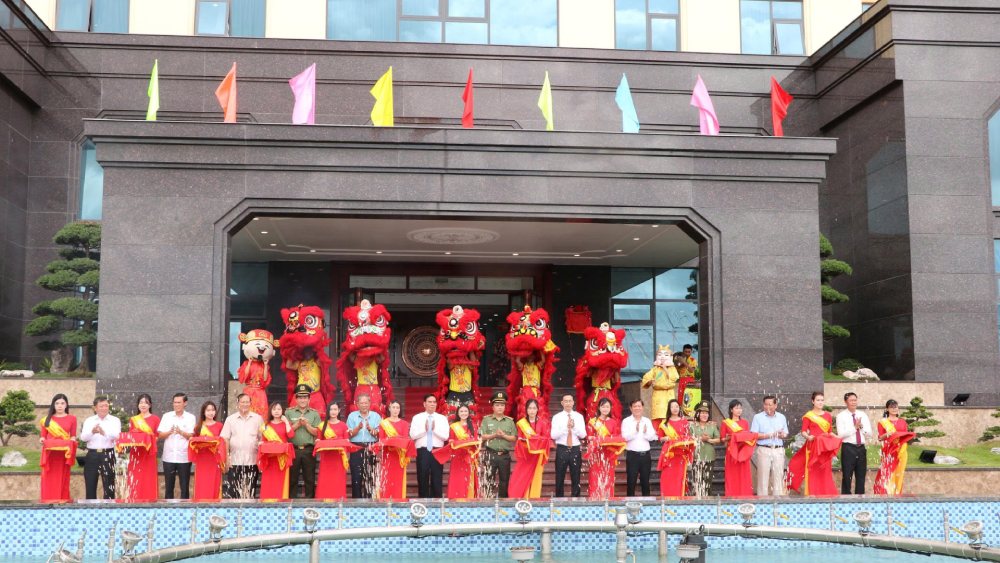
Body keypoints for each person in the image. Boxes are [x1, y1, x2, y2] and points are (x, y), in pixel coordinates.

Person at [788, 392, 841, 496]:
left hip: (825, 447)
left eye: (822, 400)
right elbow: (803, 431)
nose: (820, 402)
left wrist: (837, 437)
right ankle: (812, 493)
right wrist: (808, 437)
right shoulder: (809, 416)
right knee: (812, 470)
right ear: (813, 401)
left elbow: (829, 431)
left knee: (825, 471)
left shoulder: (828, 416)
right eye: (818, 400)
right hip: (812, 446)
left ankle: (826, 493)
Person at [220, 393, 264, 499]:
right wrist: (226, 458)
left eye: (247, 402)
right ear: (238, 403)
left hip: (252, 461)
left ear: (250, 403)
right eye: (242, 402)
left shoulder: (258, 419)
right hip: (234, 461)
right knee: (233, 492)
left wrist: (261, 459)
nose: (245, 404)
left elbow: (263, 438)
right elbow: (225, 439)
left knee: (249, 491)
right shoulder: (230, 419)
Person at [509, 399, 552, 498]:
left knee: (535, 478)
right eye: (530, 408)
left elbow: (546, 438)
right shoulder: (521, 423)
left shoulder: (543, 423)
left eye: (534, 408)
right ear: (526, 410)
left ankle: (533, 497)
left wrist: (534, 439)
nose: (532, 411)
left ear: (537, 410)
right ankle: (519, 497)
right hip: (525, 455)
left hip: (537, 456)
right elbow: (519, 439)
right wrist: (531, 440)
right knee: (520, 477)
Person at [314, 402, 358, 500]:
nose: (333, 412)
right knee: (325, 479)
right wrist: (318, 442)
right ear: (328, 411)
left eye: (335, 409)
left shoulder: (343, 425)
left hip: (339, 458)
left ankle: (339, 500)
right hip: (327, 458)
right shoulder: (322, 425)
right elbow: (319, 440)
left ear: (338, 411)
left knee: (338, 480)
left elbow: (347, 441)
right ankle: (323, 499)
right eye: (331, 409)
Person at [80, 395, 121, 499]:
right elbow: (83, 438)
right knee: (90, 484)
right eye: (101, 406)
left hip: (108, 454)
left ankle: (109, 510)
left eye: (106, 406)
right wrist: (92, 432)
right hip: (92, 455)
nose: (104, 408)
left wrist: (104, 433)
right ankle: (90, 510)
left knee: (109, 485)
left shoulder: (115, 420)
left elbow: (117, 436)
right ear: (95, 408)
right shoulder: (89, 420)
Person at [156, 392, 196, 500]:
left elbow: (192, 436)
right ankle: (168, 510)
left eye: (179, 402)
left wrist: (180, 432)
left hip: (184, 457)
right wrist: (169, 432)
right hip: (169, 457)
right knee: (169, 486)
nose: (176, 405)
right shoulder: (167, 416)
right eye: (174, 402)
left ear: (185, 403)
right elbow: (160, 434)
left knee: (185, 486)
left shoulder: (190, 417)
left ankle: (185, 509)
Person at [39, 393, 77, 502]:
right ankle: (47, 501)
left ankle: (62, 500)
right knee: (48, 477)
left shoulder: (72, 418)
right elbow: (43, 437)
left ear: (66, 405)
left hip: (64, 454)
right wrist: (42, 440)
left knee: (63, 477)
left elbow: (73, 436)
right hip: (50, 454)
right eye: (57, 403)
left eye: (62, 403)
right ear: (53, 405)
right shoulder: (46, 420)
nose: (60, 406)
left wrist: (72, 440)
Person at [409, 394, 449, 498]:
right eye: (429, 402)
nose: (432, 404)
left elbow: (445, 437)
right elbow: (412, 435)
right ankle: (423, 503)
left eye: (434, 402)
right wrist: (425, 430)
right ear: (424, 404)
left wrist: (434, 430)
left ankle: (437, 504)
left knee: (437, 479)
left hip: (437, 451)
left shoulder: (442, 418)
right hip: (422, 451)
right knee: (422, 478)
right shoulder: (417, 417)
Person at [873, 399, 915, 496]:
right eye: (891, 407)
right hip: (889, 451)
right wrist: (887, 434)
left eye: (895, 407)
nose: (894, 409)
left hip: (901, 451)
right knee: (887, 473)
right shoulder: (882, 422)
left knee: (899, 474)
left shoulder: (902, 422)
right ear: (887, 409)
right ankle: (884, 494)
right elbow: (880, 438)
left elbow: (905, 436)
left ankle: (897, 494)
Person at [479, 391, 516, 498]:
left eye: (502, 405)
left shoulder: (510, 421)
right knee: (488, 480)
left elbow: (514, 438)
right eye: (497, 405)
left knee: (504, 481)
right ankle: (487, 502)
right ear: (493, 407)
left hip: (504, 456)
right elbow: (482, 436)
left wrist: (504, 435)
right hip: (491, 454)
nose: (500, 407)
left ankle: (503, 503)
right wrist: (494, 435)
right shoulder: (486, 420)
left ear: (505, 407)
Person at [123, 394, 160, 501]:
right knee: (136, 476)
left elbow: (157, 436)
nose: (143, 405)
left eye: (146, 402)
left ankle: (150, 499)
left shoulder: (155, 419)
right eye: (141, 402)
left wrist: (147, 440)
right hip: (136, 453)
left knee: (149, 477)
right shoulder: (133, 419)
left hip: (149, 452)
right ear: (138, 405)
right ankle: (134, 499)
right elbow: (131, 436)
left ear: (150, 405)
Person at [287, 384, 321, 499]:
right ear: (296, 399)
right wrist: (297, 425)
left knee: (310, 479)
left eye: (305, 397)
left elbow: (317, 432)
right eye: (300, 397)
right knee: (292, 479)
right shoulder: (288, 413)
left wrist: (306, 425)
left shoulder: (314, 413)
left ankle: (310, 504)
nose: (302, 400)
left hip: (308, 450)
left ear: (309, 399)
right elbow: (286, 432)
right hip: (293, 450)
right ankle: (291, 503)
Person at [586, 397, 625, 500]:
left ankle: (608, 499)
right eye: (603, 406)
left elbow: (616, 438)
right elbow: (589, 437)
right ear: (599, 408)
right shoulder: (593, 422)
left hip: (609, 454)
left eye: (607, 407)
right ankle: (594, 499)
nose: (605, 409)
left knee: (608, 477)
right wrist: (597, 439)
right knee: (595, 477)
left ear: (610, 408)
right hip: (596, 454)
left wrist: (605, 440)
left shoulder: (613, 422)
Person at [439, 404, 480, 499]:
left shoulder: (473, 426)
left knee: (468, 478)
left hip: (469, 456)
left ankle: (470, 498)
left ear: (469, 413)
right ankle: (455, 497)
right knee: (457, 478)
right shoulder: (453, 426)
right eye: (461, 411)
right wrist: (457, 443)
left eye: (465, 411)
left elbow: (475, 440)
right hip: (457, 456)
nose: (463, 413)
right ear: (458, 413)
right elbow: (451, 441)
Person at [750, 395, 788, 496]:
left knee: (778, 477)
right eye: (766, 404)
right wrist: (769, 435)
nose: (768, 407)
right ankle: (762, 502)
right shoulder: (757, 417)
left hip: (778, 449)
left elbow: (785, 433)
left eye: (770, 405)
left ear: (776, 405)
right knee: (763, 477)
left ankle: (778, 501)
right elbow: (754, 435)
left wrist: (782, 435)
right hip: (764, 449)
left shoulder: (781, 417)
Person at [376, 400, 414, 500]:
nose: (396, 410)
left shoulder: (405, 424)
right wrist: (391, 441)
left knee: (398, 479)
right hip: (388, 455)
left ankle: (399, 499)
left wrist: (397, 442)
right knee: (387, 478)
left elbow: (405, 439)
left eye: (398, 407)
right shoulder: (383, 423)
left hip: (399, 456)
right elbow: (381, 440)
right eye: (393, 407)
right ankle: (385, 499)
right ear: (389, 408)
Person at [346, 393, 382, 498]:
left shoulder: (376, 416)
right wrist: (357, 428)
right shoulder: (352, 416)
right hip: (356, 448)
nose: (364, 405)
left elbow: (380, 434)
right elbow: (348, 435)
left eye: (366, 403)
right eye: (361, 403)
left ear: (370, 403)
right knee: (356, 476)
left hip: (371, 447)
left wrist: (371, 430)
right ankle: (356, 501)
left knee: (370, 476)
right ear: (357, 404)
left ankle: (370, 501)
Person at [836, 391, 872, 495]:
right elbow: (841, 434)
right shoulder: (841, 416)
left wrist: (861, 427)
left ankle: (860, 499)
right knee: (847, 476)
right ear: (845, 402)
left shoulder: (862, 415)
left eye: (855, 400)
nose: (853, 402)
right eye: (851, 400)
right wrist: (854, 428)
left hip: (861, 448)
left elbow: (869, 434)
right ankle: (846, 499)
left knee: (861, 476)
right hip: (848, 448)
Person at [551, 394, 586, 497]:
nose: (568, 403)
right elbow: (553, 435)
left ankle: (576, 500)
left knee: (576, 477)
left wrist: (574, 427)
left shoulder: (579, 417)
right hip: (562, 449)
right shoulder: (557, 417)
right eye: (565, 401)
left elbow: (583, 435)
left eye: (570, 401)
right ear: (562, 403)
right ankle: (559, 500)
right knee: (559, 476)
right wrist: (565, 428)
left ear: (573, 402)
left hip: (575, 449)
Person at [657, 399, 695, 497]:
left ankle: (679, 497)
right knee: (667, 476)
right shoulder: (664, 423)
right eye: (672, 407)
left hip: (681, 454)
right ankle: (666, 496)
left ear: (679, 408)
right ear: (669, 409)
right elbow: (660, 438)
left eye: (677, 406)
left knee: (679, 477)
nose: (675, 409)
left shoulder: (684, 421)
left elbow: (688, 436)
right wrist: (664, 438)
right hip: (669, 454)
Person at [189, 401, 226, 501]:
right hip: (202, 459)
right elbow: (193, 444)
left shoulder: (220, 426)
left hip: (214, 459)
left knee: (214, 482)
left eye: (213, 410)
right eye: (208, 410)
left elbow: (222, 443)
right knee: (202, 482)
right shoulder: (198, 427)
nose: (211, 412)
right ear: (203, 412)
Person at [621, 399, 657, 496]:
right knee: (631, 481)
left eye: (639, 406)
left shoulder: (647, 421)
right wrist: (635, 431)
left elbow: (653, 437)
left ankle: (647, 505)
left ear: (642, 408)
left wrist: (645, 433)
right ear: (630, 408)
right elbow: (624, 437)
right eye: (635, 406)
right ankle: (630, 504)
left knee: (645, 481)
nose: (637, 408)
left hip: (645, 455)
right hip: (632, 455)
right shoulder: (626, 421)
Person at [258, 401, 294, 500]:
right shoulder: (266, 425)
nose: (277, 411)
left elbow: (291, 435)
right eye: (274, 409)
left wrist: (286, 422)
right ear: (271, 411)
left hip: (282, 458)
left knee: (281, 483)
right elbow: (264, 440)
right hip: (269, 458)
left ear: (282, 411)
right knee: (268, 482)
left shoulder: (285, 423)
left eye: (279, 409)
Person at [720, 399, 754, 497]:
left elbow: (748, 437)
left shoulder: (745, 423)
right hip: (732, 452)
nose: (739, 410)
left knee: (744, 475)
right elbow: (722, 438)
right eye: (736, 408)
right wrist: (730, 438)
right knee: (732, 475)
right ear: (731, 410)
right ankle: (731, 495)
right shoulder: (726, 423)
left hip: (743, 452)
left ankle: (745, 495)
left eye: (740, 408)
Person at [640, 345, 679, 428]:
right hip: (658, 395)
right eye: (660, 354)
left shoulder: (672, 368)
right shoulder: (655, 369)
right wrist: (650, 381)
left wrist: (665, 368)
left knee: (669, 414)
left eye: (666, 355)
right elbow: (646, 378)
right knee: (658, 416)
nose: (663, 357)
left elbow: (674, 378)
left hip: (668, 394)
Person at [688, 401, 719, 498]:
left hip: (709, 456)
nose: (704, 415)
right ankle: (697, 499)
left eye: (706, 413)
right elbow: (688, 439)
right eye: (702, 413)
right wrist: (700, 439)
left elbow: (718, 439)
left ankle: (708, 499)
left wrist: (708, 439)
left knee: (708, 480)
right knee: (697, 480)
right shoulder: (692, 425)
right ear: (698, 414)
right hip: (696, 456)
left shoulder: (712, 425)